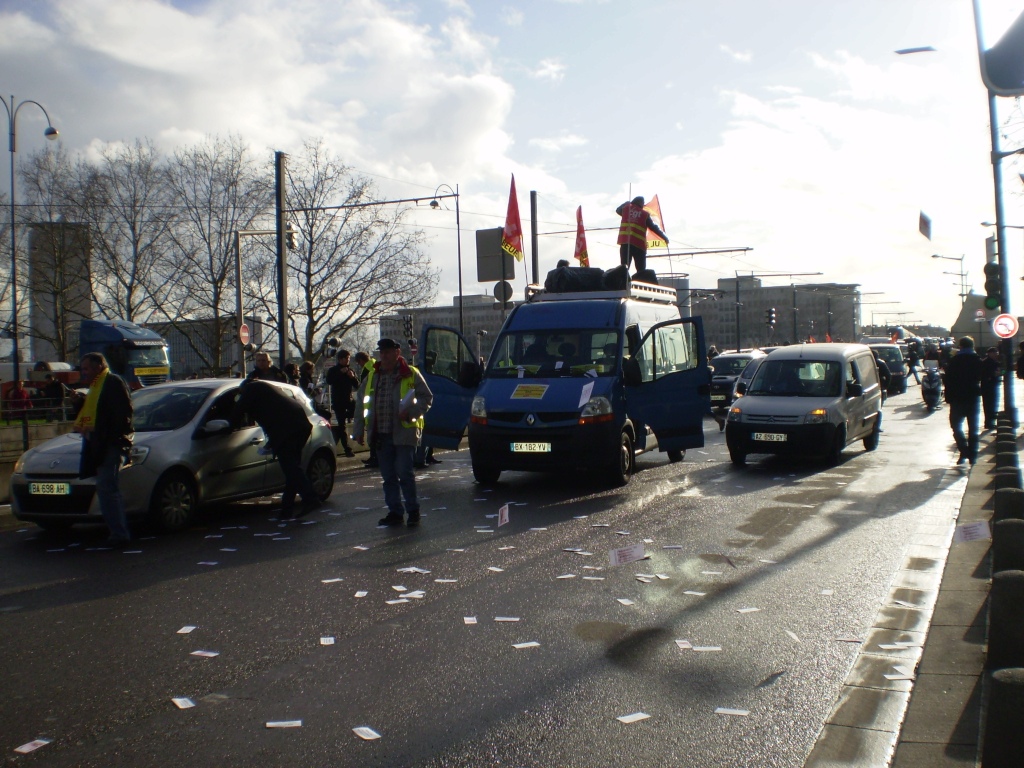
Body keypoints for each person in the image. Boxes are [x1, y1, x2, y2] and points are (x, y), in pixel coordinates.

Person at [352, 338, 433, 527]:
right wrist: (358, 430)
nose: (384, 355)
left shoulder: (410, 373)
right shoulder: (373, 375)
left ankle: (413, 511)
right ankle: (395, 512)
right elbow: (361, 403)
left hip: (404, 432)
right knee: (388, 476)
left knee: (405, 473)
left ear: (397, 353)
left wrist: (411, 412)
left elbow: (427, 398)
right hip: (381, 433)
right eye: (382, 352)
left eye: (388, 352)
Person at [230, 379, 320, 519]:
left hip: (286, 431)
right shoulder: (268, 389)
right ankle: (287, 509)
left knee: (291, 468)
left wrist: (228, 426)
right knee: (292, 469)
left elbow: (238, 411)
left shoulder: (251, 389)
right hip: (300, 426)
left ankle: (310, 498)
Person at [70, 353, 133, 545]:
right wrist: (79, 403)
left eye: (86, 368)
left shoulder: (112, 382)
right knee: (106, 487)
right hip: (101, 444)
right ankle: (117, 531)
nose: (84, 373)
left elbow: (121, 414)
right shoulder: (96, 386)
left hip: (109, 444)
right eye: (82, 369)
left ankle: (119, 534)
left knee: (107, 487)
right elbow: (95, 413)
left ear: (99, 367)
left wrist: (110, 439)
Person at [944, 336, 983, 466]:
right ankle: (973, 455)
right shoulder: (977, 360)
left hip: (957, 398)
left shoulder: (954, 360)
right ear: (972, 346)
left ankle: (964, 450)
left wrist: (948, 398)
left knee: (956, 426)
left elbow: (947, 380)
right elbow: (981, 377)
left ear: (960, 346)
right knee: (973, 428)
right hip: (973, 397)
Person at [615, 196, 668, 274]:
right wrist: (664, 237)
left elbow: (618, 210)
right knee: (641, 271)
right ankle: (640, 282)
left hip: (626, 244)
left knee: (624, 268)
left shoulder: (626, 209)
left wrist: (627, 202)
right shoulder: (644, 214)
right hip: (639, 246)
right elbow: (653, 227)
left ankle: (621, 285)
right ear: (641, 203)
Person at [325, 349, 359, 458]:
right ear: (341, 359)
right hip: (338, 401)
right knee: (342, 425)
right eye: (346, 359)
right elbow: (329, 381)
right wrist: (340, 373)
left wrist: (352, 377)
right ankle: (347, 449)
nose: (348, 360)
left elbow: (357, 385)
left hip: (348, 400)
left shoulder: (351, 370)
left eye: (349, 358)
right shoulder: (333, 370)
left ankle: (344, 418)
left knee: (357, 410)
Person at [353, 351, 379, 468]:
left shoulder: (367, 371)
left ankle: (374, 458)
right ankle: (375, 457)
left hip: (370, 407)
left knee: (373, 435)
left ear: (361, 361)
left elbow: (363, 390)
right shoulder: (375, 364)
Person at [980, 346, 1001, 430]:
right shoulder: (987, 362)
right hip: (989, 386)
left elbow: (1000, 371)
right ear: (989, 353)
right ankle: (989, 422)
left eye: (997, 352)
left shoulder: (995, 362)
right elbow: (987, 374)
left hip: (991, 385)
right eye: (994, 352)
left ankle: (990, 422)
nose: (996, 354)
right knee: (990, 405)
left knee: (991, 404)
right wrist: (995, 374)